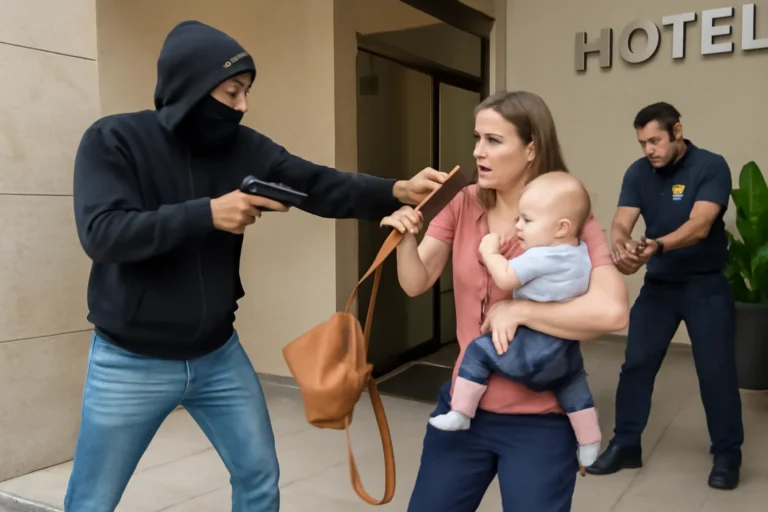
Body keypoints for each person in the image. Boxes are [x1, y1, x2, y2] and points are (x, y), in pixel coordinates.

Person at [66, 20, 446, 512]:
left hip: (218, 355)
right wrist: (207, 213)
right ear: (193, 88)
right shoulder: (114, 139)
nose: (242, 105)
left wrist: (395, 189)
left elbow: (318, 183)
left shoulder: (246, 147)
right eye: (231, 92)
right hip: (129, 362)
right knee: (92, 500)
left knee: (260, 478)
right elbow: (103, 234)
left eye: (246, 91)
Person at [380, 90, 629, 511]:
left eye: (494, 140)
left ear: (531, 149)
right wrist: (405, 239)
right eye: (477, 138)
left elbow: (613, 311)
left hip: (540, 420)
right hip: (465, 403)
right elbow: (415, 282)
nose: (479, 151)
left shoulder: (569, 216)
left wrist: (520, 309)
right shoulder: (463, 202)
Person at [586, 102, 743, 490]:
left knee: (715, 371)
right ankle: (626, 444)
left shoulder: (710, 165)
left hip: (704, 285)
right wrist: (622, 246)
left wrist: (655, 246)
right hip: (660, 286)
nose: (648, 150)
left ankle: (727, 452)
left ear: (677, 131)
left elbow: (700, 225)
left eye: (655, 140)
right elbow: (622, 222)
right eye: (642, 143)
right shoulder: (639, 173)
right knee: (636, 364)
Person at [426, 171, 603, 469]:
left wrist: (489, 251)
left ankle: (461, 412)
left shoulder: (542, 256)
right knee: (575, 389)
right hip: (564, 348)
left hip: (533, 346)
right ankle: (589, 443)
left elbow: (506, 277)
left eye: (528, 221)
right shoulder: (580, 252)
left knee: (478, 351)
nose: (518, 226)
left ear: (561, 228)